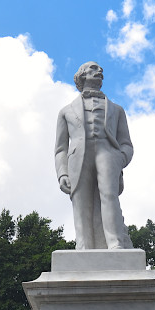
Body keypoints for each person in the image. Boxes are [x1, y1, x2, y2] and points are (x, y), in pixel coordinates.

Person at [54, 61, 134, 249]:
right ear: (82, 75)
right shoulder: (66, 111)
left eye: (100, 69)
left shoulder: (117, 110)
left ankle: (115, 244)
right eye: (93, 68)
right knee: (81, 203)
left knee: (109, 196)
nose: (100, 71)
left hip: (108, 153)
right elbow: (60, 148)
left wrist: (121, 158)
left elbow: (126, 143)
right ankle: (84, 247)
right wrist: (62, 173)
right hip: (77, 157)